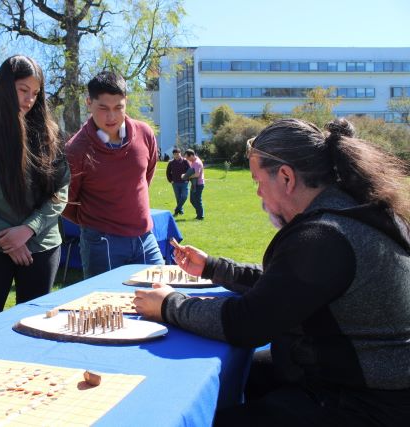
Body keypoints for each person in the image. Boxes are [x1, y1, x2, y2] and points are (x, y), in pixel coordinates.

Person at [134, 118, 410, 426]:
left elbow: (248, 323)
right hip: (363, 382)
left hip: (369, 402)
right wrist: (213, 267)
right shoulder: (352, 211)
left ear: (286, 177)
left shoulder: (324, 236)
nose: (258, 193)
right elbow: (285, 286)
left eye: (258, 181)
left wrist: (168, 305)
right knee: (238, 374)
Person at [0, 55, 69, 324]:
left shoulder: (50, 133)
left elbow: (60, 191)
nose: (30, 99)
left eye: (36, 93)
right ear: (5, 87)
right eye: (23, 90)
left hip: (41, 246)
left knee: (35, 327)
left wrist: (28, 229)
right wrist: (7, 238)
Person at [63, 71, 164, 278]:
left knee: (162, 292)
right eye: (103, 108)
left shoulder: (145, 134)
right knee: (106, 299)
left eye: (118, 107)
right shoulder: (76, 149)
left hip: (145, 237)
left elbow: (145, 178)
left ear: (126, 101)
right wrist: (96, 223)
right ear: (89, 103)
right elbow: (66, 202)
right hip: (101, 242)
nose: (111, 117)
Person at [166, 148, 190, 217]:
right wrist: (171, 180)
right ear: (173, 155)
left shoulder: (185, 161)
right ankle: (180, 211)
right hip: (175, 183)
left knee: (184, 196)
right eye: (175, 154)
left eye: (178, 154)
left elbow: (189, 171)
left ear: (180, 154)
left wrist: (187, 179)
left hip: (184, 182)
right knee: (178, 198)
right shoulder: (171, 163)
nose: (176, 155)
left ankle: (176, 209)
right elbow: (168, 172)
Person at [182, 149, 205, 220]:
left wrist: (186, 176)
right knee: (192, 200)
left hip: (199, 184)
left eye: (187, 157)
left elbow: (197, 174)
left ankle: (200, 216)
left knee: (197, 200)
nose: (187, 159)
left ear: (191, 155)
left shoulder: (197, 163)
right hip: (194, 184)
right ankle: (200, 213)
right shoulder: (193, 161)